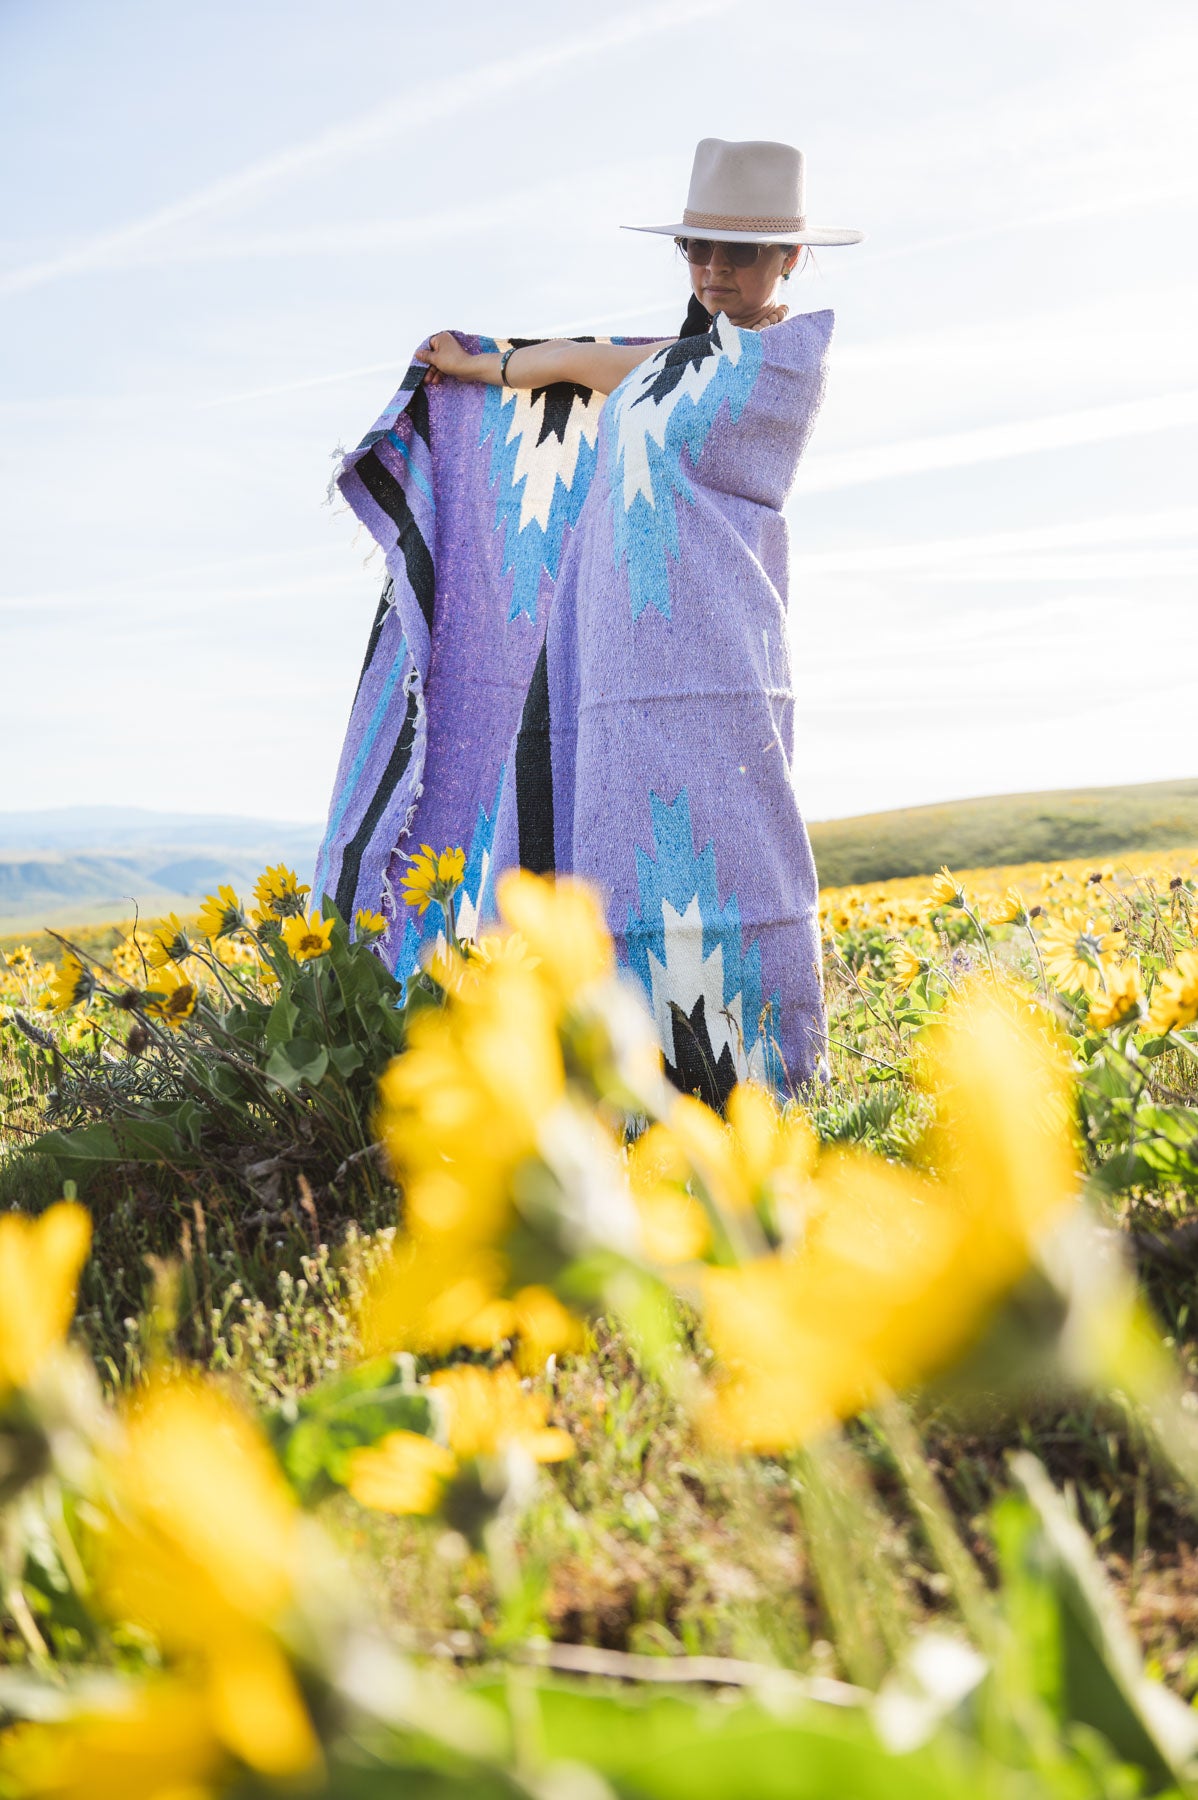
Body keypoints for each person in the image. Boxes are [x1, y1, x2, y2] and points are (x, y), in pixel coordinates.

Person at [314, 138, 862, 1107]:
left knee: (726, 832)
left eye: (737, 252)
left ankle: (756, 1064)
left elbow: (658, 384)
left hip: (713, 648)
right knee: (613, 833)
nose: (713, 270)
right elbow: (597, 364)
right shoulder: (686, 357)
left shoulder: (780, 366)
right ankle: (625, 1067)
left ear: (792, 259)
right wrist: (482, 366)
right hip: (611, 652)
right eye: (697, 249)